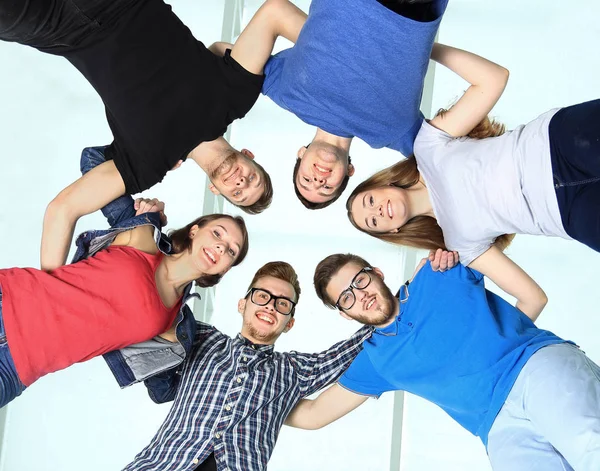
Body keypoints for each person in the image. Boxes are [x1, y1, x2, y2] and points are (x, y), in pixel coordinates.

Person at [0, 0, 308, 258]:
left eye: (238, 193)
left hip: (56, 27)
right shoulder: (236, 96)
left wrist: (48, 294)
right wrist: (342, 63)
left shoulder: (147, 166)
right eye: (251, 177)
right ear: (247, 154)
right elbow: (275, 13)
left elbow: (62, 210)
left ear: (216, 190)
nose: (240, 181)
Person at [347, 42, 600, 321]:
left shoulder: (427, 148)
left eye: (369, 201)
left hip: (560, 143)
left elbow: (493, 79)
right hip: (570, 214)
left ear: (385, 184)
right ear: (391, 231)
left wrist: (424, 46)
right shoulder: (459, 244)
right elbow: (532, 298)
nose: (377, 210)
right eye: (373, 221)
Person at [285, 253, 600, 470]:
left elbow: (478, 228)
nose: (359, 295)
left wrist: (501, 339)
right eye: (346, 297)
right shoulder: (376, 359)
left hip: (534, 367)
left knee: (590, 447)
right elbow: (314, 415)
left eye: (359, 281)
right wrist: (246, 402)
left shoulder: (437, 272)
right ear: (343, 313)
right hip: (498, 427)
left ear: (376, 273)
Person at [0, 146, 249, 409]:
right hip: (9, 297)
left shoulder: (176, 329)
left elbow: (164, 392)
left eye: (231, 251)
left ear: (224, 269)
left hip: (16, 369)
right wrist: (164, 155)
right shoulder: (141, 231)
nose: (221, 247)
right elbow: (94, 159)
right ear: (195, 231)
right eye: (218, 234)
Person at [124, 261, 372, 471]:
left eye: (283, 304)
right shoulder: (201, 338)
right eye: (263, 296)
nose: (271, 306)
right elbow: (153, 306)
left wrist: (393, 308)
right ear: (242, 304)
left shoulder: (293, 371)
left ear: (289, 323)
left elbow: (348, 351)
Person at [261, 0, 448, 209]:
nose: (318, 181)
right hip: (413, 9)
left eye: (306, 180)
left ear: (301, 154)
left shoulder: (283, 92)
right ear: (350, 171)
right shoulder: (392, 135)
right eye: (327, 188)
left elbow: (226, 61)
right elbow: (446, 175)